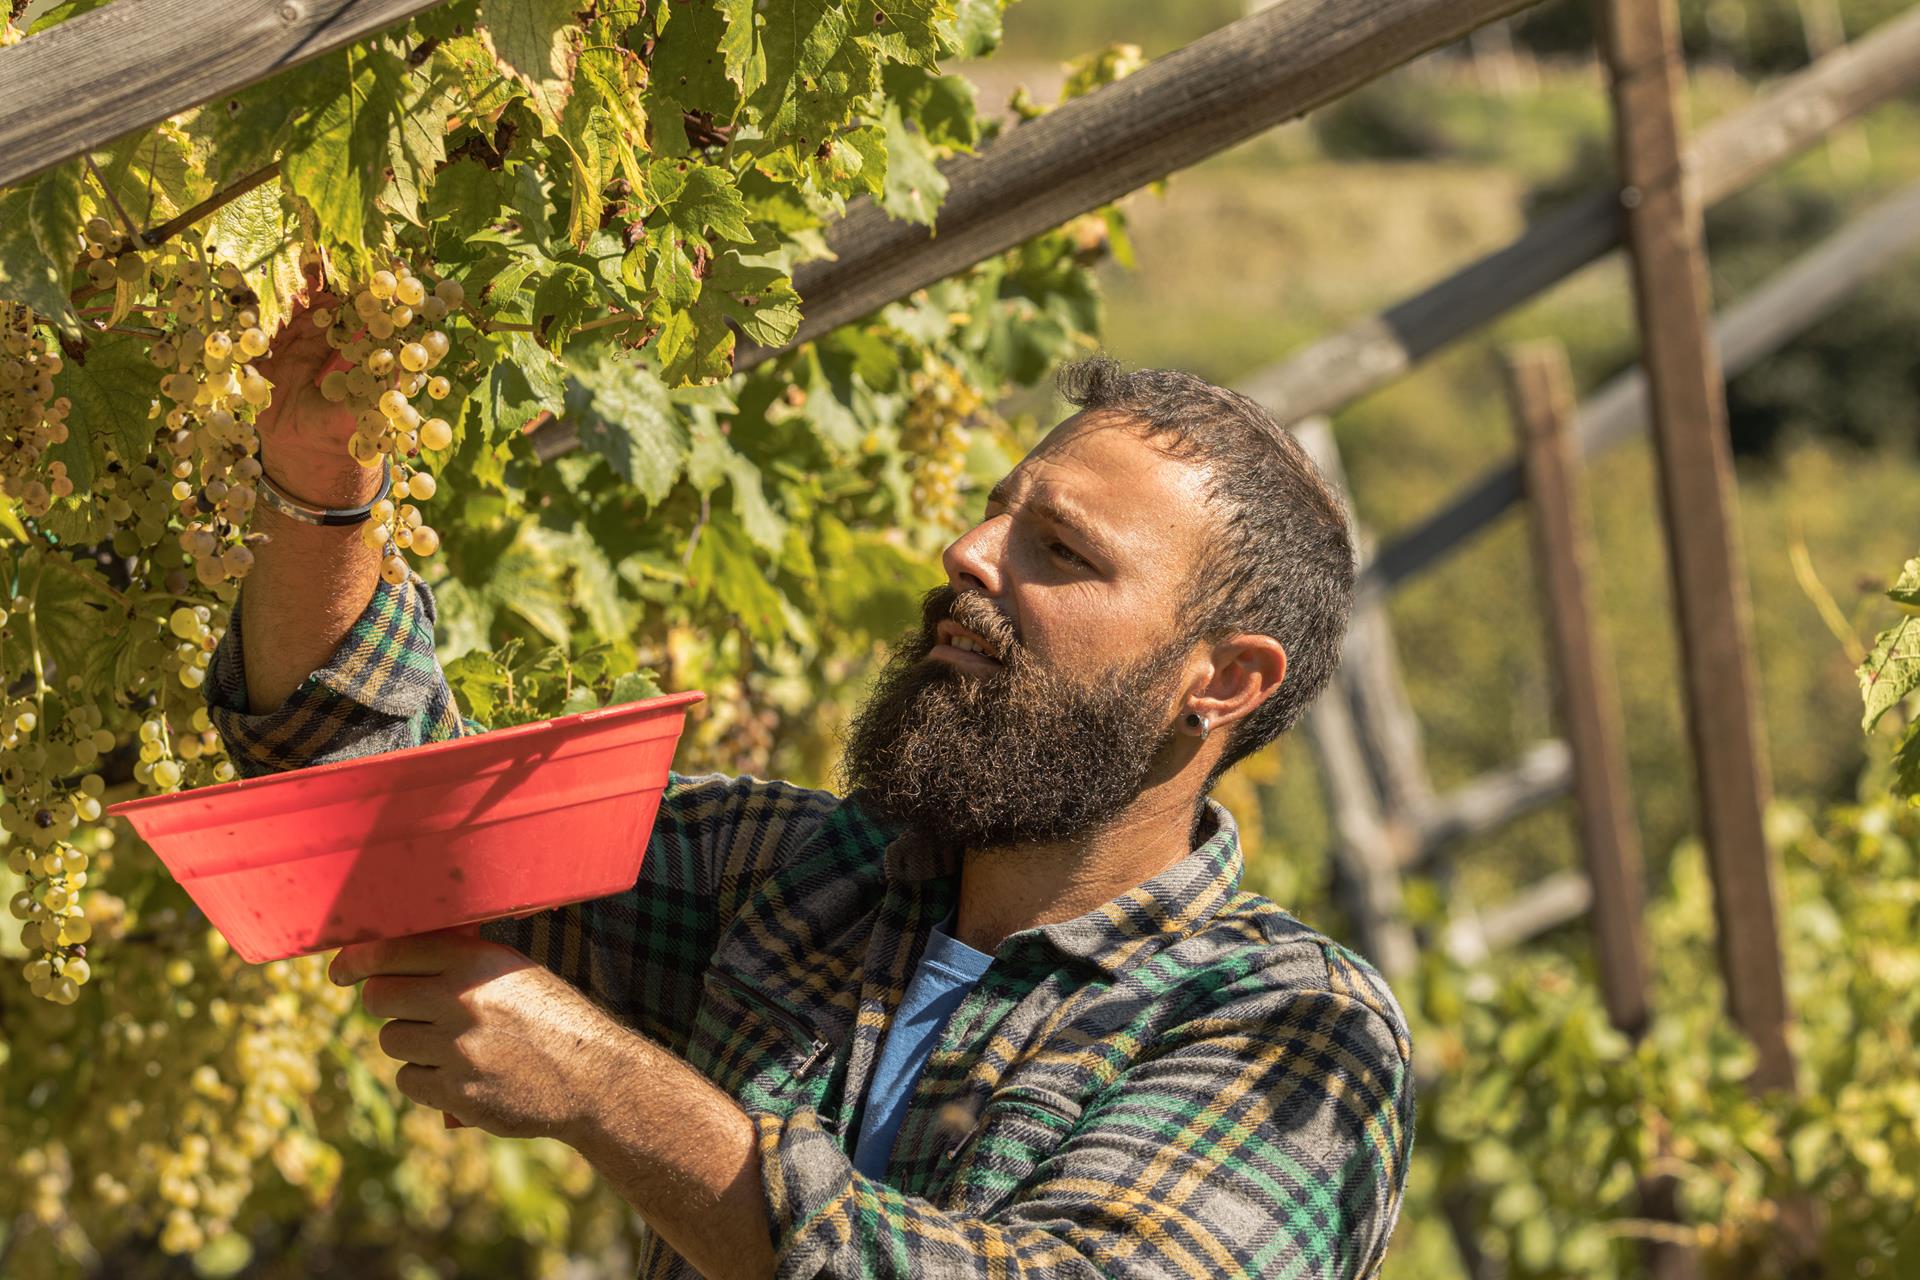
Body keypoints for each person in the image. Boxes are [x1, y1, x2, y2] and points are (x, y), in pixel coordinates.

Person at [215, 300, 1415, 1279]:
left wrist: (607, 1088)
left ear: (1223, 680)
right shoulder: (801, 875)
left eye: (1062, 550)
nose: (968, 553)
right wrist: (325, 479)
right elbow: (367, 827)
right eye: (997, 510)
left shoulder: (1293, 1031)